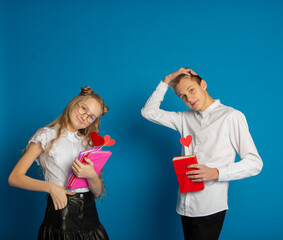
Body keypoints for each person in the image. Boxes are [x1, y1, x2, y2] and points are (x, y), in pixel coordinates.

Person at [141, 68, 263, 240]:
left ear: (203, 85)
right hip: (184, 206)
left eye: (191, 90)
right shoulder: (184, 118)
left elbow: (255, 163)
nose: (189, 98)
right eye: (183, 96)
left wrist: (216, 172)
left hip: (210, 207)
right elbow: (148, 112)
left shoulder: (231, 116)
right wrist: (167, 80)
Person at [8, 86, 110, 240]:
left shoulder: (88, 143)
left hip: (92, 222)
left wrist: (91, 176)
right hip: (62, 219)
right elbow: (14, 177)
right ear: (74, 102)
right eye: (83, 108)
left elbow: (96, 191)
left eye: (91, 117)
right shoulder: (46, 135)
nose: (84, 117)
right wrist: (50, 187)